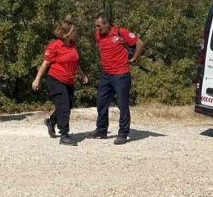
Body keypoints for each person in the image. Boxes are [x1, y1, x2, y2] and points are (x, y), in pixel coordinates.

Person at [91, 12, 146, 145]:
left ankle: (123, 133)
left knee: (122, 105)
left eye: (99, 26)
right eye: (96, 26)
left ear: (107, 24)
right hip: (106, 74)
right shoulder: (98, 35)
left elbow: (140, 43)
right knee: (101, 103)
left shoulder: (121, 32)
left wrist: (134, 58)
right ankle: (101, 130)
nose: (97, 29)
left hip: (121, 74)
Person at [32, 18, 87, 146]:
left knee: (66, 105)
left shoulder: (72, 45)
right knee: (64, 106)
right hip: (55, 80)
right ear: (66, 33)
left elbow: (75, 62)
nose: (76, 32)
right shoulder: (55, 45)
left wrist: (82, 74)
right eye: (74, 31)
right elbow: (45, 64)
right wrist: (37, 79)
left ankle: (51, 121)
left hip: (69, 80)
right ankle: (64, 135)